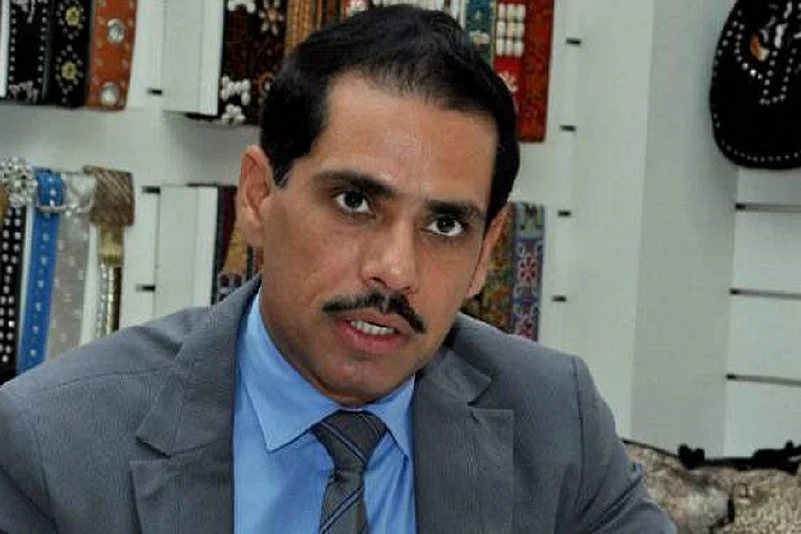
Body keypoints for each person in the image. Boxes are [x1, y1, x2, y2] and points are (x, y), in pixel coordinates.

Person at [0, 5, 676, 533]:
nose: (395, 270)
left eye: (445, 225)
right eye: (354, 202)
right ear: (258, 199)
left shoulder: (555, 424)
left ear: (486, 254)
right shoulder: (53, 444)